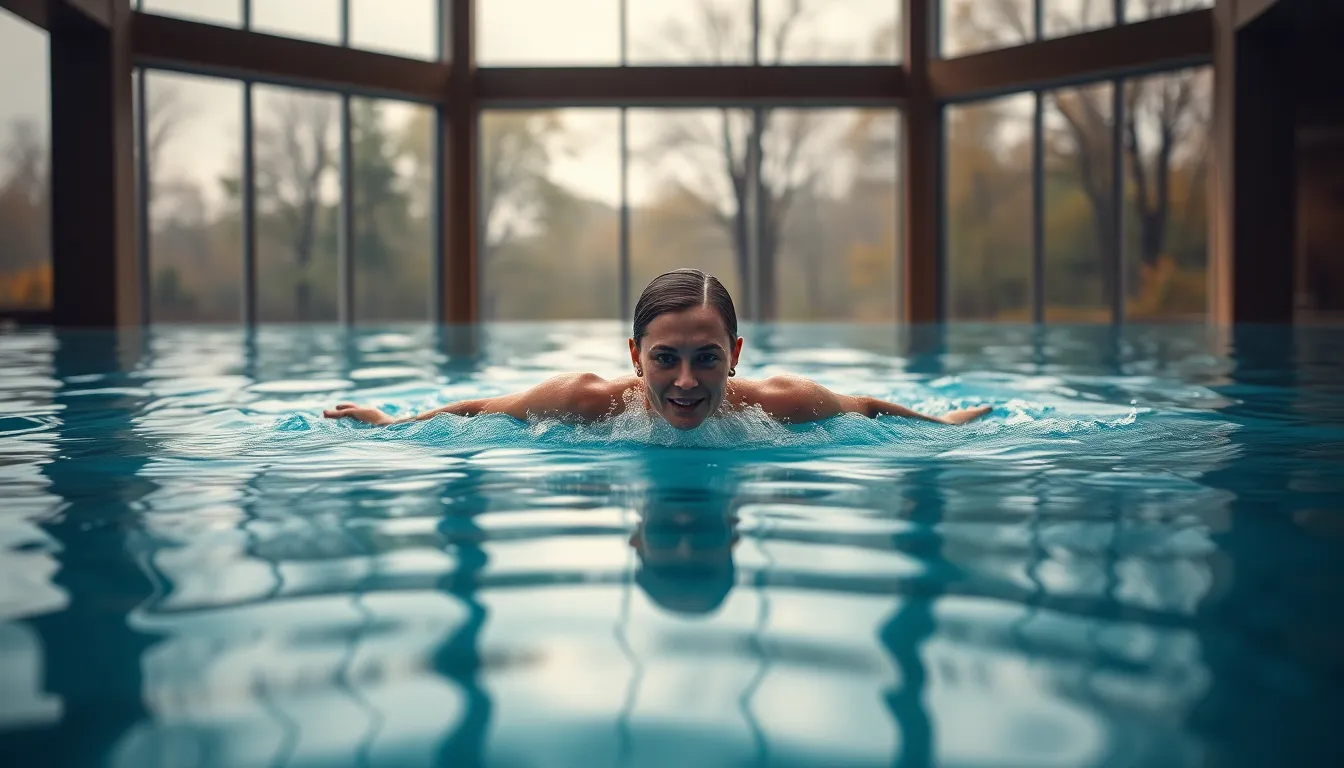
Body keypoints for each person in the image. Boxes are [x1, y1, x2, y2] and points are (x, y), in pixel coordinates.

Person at [323, 268, 991, 430]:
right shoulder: (586, 401)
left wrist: (945, 426)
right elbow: (481, 409)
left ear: (734, 352)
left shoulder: (780, 404)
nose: (685, 381)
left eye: (706, 358)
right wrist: (391, 425)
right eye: (664, 357)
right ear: (635, 353)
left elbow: (868, 406)